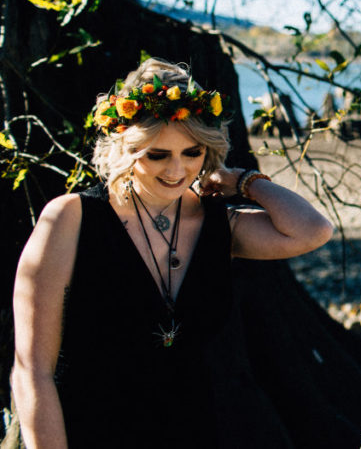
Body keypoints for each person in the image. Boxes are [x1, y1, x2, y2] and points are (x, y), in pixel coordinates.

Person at [11, 58, 335, 448]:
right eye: (157, 155)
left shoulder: (220, 225)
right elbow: (32, 371)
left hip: (192, 430)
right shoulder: (72, 219)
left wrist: (243, 181)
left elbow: (313, 231)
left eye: (193, 152)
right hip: (88, 430)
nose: (176, 170)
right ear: (125, 149)